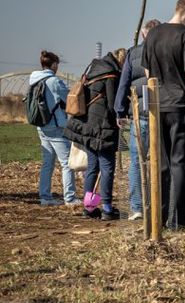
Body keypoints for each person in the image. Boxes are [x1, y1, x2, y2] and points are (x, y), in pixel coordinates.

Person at [142, 0, 185, 230]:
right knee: (184, 165)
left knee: (161, 164)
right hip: (183, 105)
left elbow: (148, 73)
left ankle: (156, 220)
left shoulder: (153, 34)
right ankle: (180, 222)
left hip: (157, 105)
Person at [65, 51, 123, 220]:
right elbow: (113, 106)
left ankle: (89, 207)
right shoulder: (111, 75)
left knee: (92, 167)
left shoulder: (91, 71)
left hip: (88, 126)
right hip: (103, 127)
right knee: (107, 168)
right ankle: (106, 208)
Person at [114, 18, 162, 220]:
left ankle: (137, 207)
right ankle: (159, 201)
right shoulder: (162, 51)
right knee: (160, 159)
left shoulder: (133, 53)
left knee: (136, 160)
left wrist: (120, 110)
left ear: (143, 34)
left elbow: (123, 83)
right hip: (161, 111)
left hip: (139, 113)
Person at [29, 50, 77, 206]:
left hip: (41, 126)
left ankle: (45, 197)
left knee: (47, 163)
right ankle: (69, 198)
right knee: (67, 163)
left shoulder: (34, 79)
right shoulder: (54, 81)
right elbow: (69, 99)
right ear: (54, 64)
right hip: (56, 127)